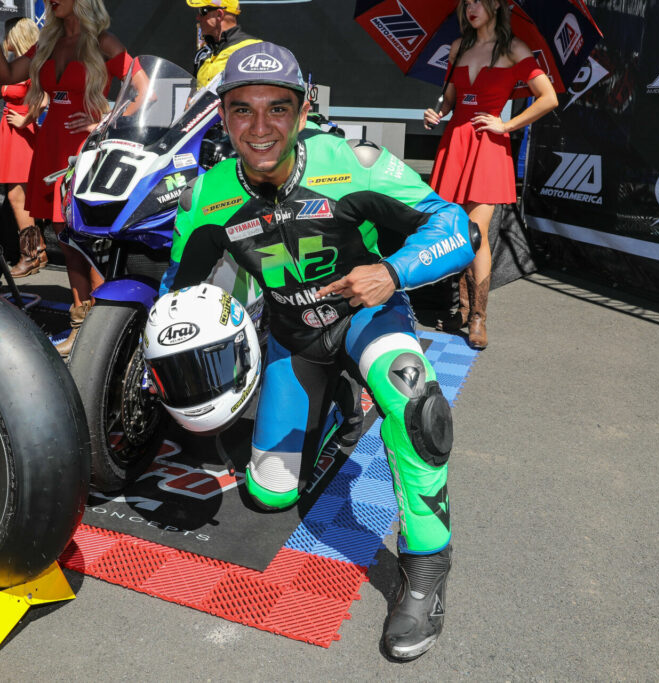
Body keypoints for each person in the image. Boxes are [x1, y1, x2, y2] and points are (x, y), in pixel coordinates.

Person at [160, 42, 479, 662]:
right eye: (242, 110)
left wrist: (393, 271)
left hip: (367, 317)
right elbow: (183, 290)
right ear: (222, 117)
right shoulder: (207, 197)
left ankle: (427, 563)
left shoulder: (351, 164)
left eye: (277, 108)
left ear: (304, 110)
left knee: (417, 405)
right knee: (269, 494)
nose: (260, 128)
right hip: (292, 337)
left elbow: (457, 226)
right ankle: (334, 401)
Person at [0, 0, 134, 356]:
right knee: (65, 238)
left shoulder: (102, 42)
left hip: (84, 153)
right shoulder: (47, 43)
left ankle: (106, 329)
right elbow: (5, 77)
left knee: (83, 240)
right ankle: (82, 324)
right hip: (50, 150)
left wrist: (103, 123)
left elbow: (144, 89)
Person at [424, 0, 557, 349]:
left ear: (496, 4)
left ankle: (478, 318)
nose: (471, 7)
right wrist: (436, 111)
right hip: (454, 143)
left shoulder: (515, 49)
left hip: (488, 147)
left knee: (475, 234)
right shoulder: (458, 47)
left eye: (478, 1)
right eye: (466, 2)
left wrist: (508, 125)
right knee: (454, 228)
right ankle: (462, 310)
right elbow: (449, 98)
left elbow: (549, 97)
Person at [0, 16, 45, 279]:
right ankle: (37, 252)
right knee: (19, 197)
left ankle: (30, 256)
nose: (4, 41)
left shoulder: (34, 66)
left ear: (15, 35)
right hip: (13, 134)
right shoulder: (16, 66)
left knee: (17, 197)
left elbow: (44, 97)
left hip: (23, 133)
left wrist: (26, 118)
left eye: (7, 35)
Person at [187, 0, 260, 90]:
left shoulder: (254, 50)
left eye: (203, 11)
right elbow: (192, 98)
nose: (198, 17)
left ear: (219, 14)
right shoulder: (202, 54)